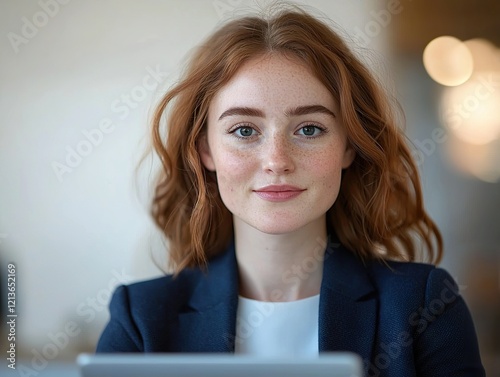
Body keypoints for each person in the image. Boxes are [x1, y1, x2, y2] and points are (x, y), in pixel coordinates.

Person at [96, 5, 485, 376]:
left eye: (309, 129)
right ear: (205, 150)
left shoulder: (424, 307)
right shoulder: (140, 318)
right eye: (244, 130)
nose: (277, 160)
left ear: (349, 146)